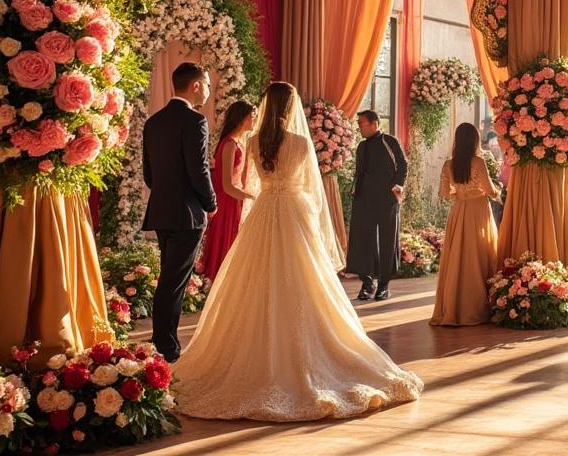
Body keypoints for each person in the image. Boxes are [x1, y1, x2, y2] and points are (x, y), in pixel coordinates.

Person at [173, 82, 423, 420]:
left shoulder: (252, 141)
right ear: (290, 108)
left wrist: (263, 198)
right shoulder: (301, 143)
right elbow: (310, 190)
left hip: (263, 212)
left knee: (256, 280)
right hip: (293, 212)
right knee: (304, 279)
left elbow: (251, 185)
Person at [141, 63, 217, 362]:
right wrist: (210, 203)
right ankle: (166, 346)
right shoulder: (195, 121)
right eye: (207, 84)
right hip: (187, 214)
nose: (209, 90)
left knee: (169, 278)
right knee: (174, 281)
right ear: (195, 85)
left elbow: (149, 175)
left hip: (161, 210)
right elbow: (198, 170)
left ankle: (160, 339)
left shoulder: (153, 122)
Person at [431, 123, 501, 327]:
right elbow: (489, 190)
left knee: (458, 258)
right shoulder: (478, 162)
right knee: (477, 255)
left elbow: (445, 194)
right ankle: (476, 307)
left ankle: (454, 307)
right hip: (478, 210)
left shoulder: (448, 164)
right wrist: (498, 192)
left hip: (458, 210)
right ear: (474, 141)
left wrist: (460, 193)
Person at [346, 109, 408, 302]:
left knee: (387, 240)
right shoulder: (362, 147)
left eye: (362, 124)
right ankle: (367, 283)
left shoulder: (390, 142)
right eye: (358, 124)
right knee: (364, 241)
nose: (359, 128)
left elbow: (403, 166)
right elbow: (360, 173)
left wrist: (396, 186)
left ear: (375, 124)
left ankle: (383, 285)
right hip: (363, 200)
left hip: (386, 200)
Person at [197, 100, 256, 281]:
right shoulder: (229, 144)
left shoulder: (239, 143)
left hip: (235, 200)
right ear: (242, 118)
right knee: (225, 244)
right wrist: (252, 197)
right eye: (251, 116)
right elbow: (227, 185)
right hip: (226, 201)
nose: (254, 120)